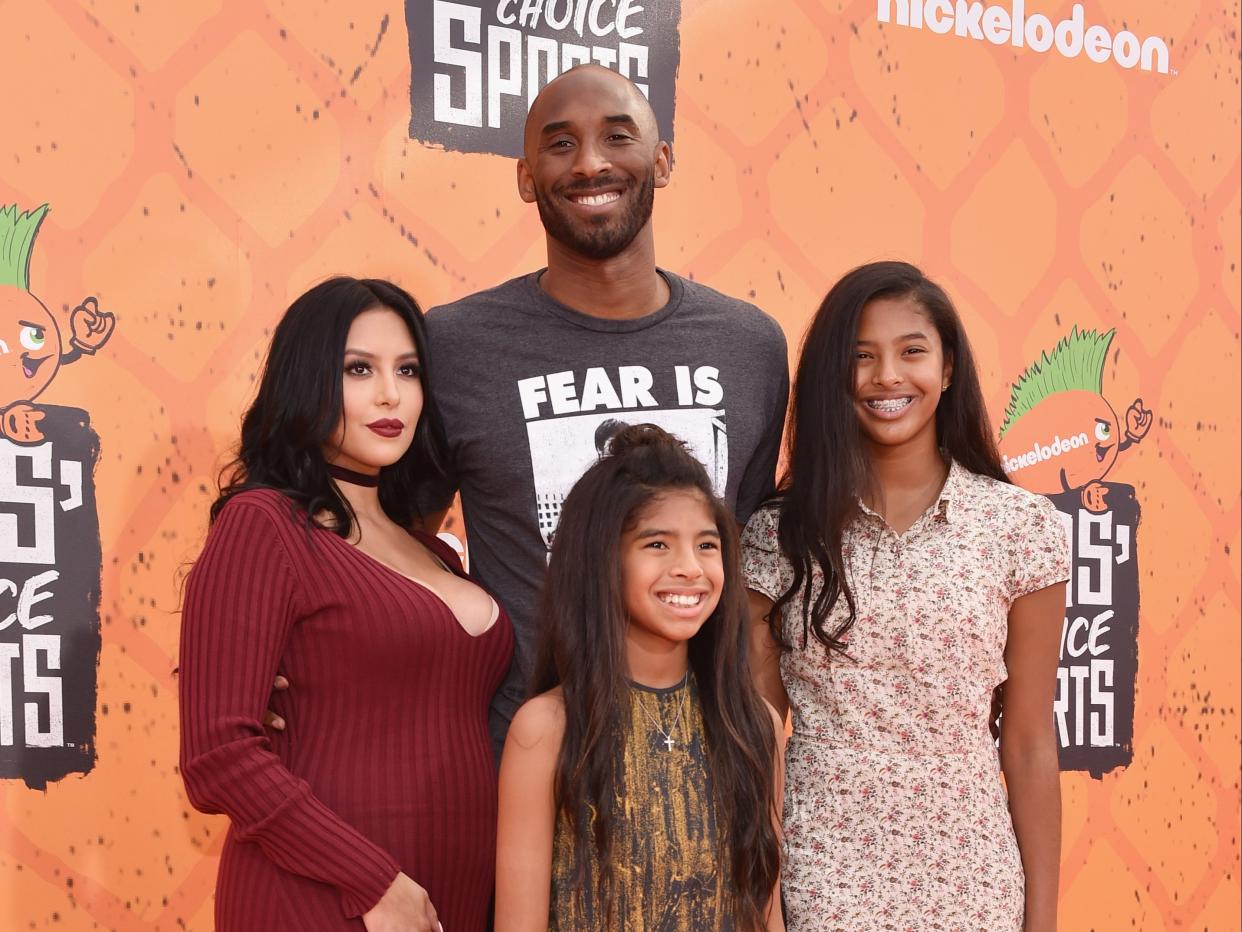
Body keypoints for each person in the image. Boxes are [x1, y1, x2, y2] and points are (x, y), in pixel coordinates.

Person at [417, 65, 789, 757]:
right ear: (527, 178)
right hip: (532, 766)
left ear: (662, 159)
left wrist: (753, 739)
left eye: (618, 136)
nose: (590, 163)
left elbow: (754, 566)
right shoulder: (454, 345)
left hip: (703, 765)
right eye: (560, 145)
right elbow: (394, 544)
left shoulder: (750, 346)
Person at [741, 261, 1068, 931]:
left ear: (948, 368)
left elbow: (1030, 742)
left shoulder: (1020, 529)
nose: (888, 376)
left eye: (912, 351)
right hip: (822, 874)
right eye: (861, 357)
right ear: (835, 379)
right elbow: (756, 736)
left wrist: (1042, 921)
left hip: (971, 880)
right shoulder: (780, 532)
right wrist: (763, 906)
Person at [179, 278, 513, 931]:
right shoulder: (264, 524)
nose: (390, 393)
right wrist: (372, 884)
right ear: (305, 380)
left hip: (453, 904)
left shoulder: (433, 550)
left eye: (407, 371)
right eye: (358, 369)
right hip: (327, 901)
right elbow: (217, 756)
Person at [496, 424, 785, 930]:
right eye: (657, 544)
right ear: (601, 560)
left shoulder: (751, 724)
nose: (690, 568)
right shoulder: (547, 729)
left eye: (707, 545)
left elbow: (765, 912)